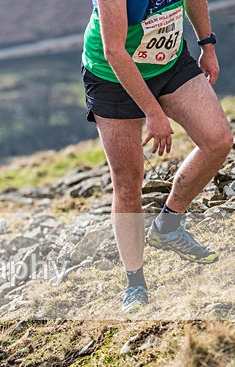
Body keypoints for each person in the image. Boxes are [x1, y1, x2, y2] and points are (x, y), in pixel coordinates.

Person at [82, 0, 233, 312]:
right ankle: (135, 283)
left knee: (218, 140)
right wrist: (153, 111)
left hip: (170, 63)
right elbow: (114, 51)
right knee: (127, 183)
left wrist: (208, 45)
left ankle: (167, 226)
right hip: (112, 76)